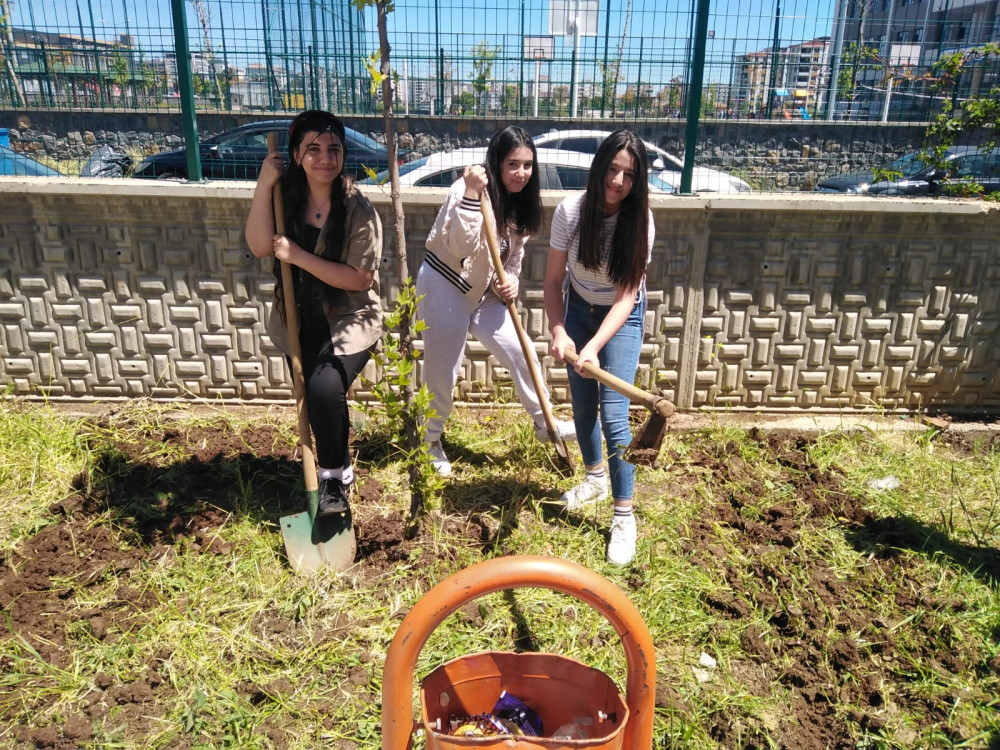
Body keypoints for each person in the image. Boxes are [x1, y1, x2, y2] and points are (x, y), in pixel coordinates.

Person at [417, 125, 575, 476]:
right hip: (445, 284)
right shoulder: (467, 188)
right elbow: (460, 247)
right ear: (497, 163)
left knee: (522, 350)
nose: (521, 173)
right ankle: (429, 439)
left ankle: (544, 422)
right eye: (512, 164)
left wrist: (513, 283)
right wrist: (473, 195)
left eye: (527, 165)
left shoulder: (522, 204)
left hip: (485, 294)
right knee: (444, 369)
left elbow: (513, 257)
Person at [245, 110, 382, 516]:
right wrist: (263, 184)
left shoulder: (359, 208)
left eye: (334, 149)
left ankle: (334, 478)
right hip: (298, 316)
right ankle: (334, 464)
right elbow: (258, 245)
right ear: (296, 155)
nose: (325, 158)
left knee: (324, 387)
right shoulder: (283, 196)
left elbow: (359, 278)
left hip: (350, 320)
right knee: (315, 397)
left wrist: (298, 255)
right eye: (314, 149)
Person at [543, 129, 654, 566]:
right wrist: (559, 330)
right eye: (612, 169)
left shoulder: (640, 220)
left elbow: (627, 296)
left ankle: (624, 516)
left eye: (629, 175)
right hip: (577, 309)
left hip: (620, 317)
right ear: (599, 166)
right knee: (583, 407)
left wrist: (593, 347)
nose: (617, 182)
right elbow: (553, 282)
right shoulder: (571, 211)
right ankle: (594, 479)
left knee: (613, 414)